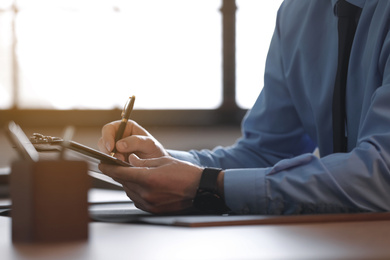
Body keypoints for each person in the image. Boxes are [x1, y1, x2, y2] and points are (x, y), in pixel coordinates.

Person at [98, 0, 390, 215]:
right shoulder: (296, 12)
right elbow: (267, 153)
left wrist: (208, 185)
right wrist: (160, 162)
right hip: (341, 240)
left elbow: (382, 175)